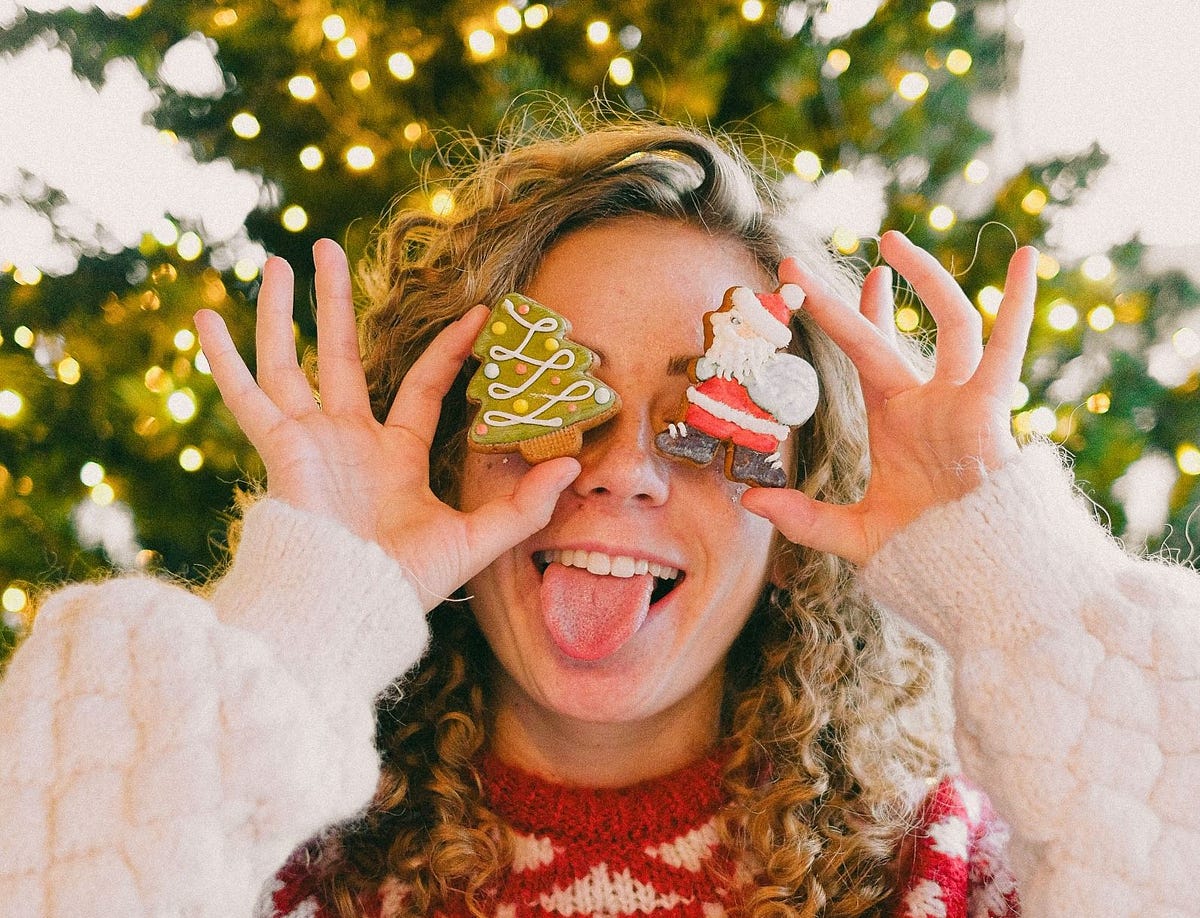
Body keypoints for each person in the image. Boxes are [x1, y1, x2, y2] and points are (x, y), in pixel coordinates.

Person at [0, 111, 1197, 918]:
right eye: (554, 395)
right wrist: (308, 604)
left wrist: (1014, 576)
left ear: (792, 531)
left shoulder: (943, 881)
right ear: (456, 465)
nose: (622, 469)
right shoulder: (265, 872)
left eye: (707, 417)